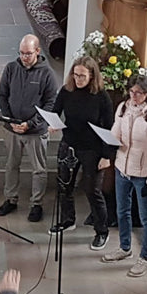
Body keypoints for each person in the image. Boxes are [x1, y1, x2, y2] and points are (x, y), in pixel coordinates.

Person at [105, 72, 147, 276]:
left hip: (143, 173)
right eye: (131, 92)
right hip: (122, 167)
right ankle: (125, 248)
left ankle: (144, 258)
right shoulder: (123, 107)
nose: (134, 96)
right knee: (122, 211)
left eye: (139, 93)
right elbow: (116, 132)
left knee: (146, 216)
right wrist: (109, 141)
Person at [49, 55, 114, 248]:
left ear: (92, 76)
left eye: (82, 76)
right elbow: (55, 111)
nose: (78, 79)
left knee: (92, 190)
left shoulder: (102, 97)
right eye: (75, 75)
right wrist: (53, 124)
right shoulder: (67, 90)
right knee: (63, 186)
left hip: (92, 149)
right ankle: (68, 220)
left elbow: (109, 128)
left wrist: (106, 155)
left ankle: (102, 231)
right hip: (69, 144)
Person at [0, 34, 58, 223]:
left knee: (38, 169)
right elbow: (2, 95)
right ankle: (10, 199)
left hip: (35, 132)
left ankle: (36, 204)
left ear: (37, 51)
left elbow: (50, 103)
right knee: (11, 165)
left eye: (28, 54)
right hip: (12, 128)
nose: (24, 57)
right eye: (21, 53)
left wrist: (31, 124)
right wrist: (10, 119)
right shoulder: (11, 68)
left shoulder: (47, 73)